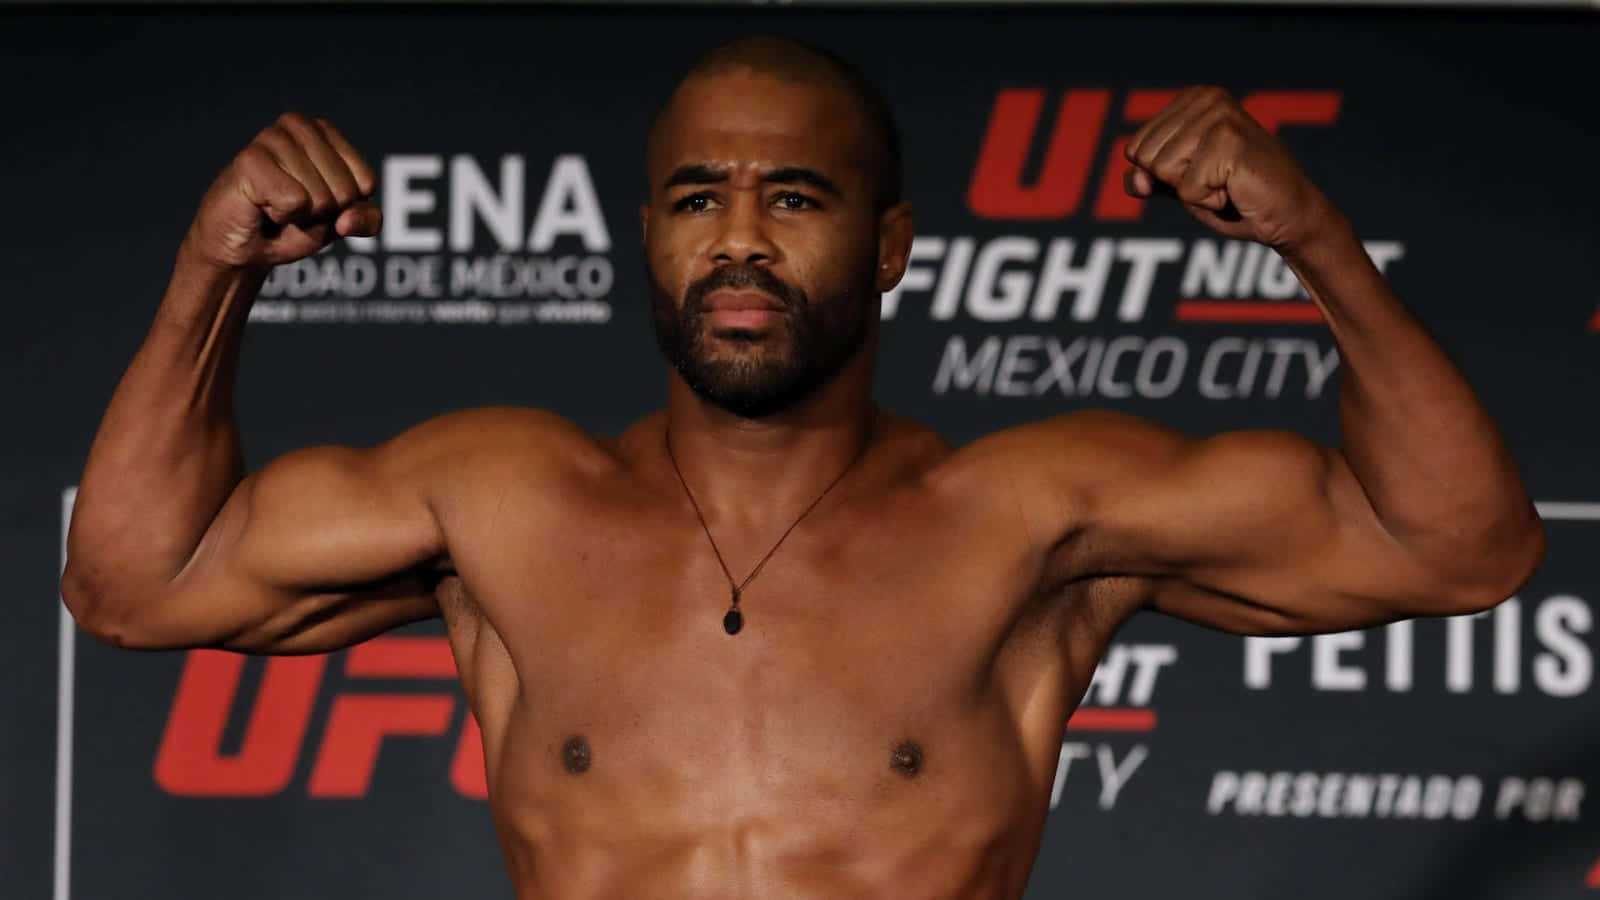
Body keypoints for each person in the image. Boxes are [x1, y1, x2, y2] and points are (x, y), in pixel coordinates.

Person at [63, 33, 1544, 899]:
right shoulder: (503, 501)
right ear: (648, 237)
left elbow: (1459, 544)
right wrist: (212, 269)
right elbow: (134, 584)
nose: (739, 240)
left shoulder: (1028, 519)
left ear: (889, 246)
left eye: (795, 198)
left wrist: (1312, 241)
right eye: (696, 198)